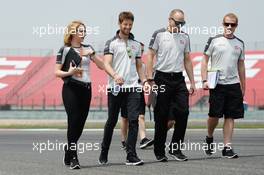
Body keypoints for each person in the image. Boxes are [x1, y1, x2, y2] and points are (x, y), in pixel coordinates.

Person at [98, 11, 148, 166]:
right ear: (119, 24)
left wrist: (144, 81)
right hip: (116, 88)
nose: (127, 27)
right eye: (125, 24)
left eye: (130, 24)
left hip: (133, 87)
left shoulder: (136, 44)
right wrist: (115, 76)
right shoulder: (111, 43)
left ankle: (131, 155)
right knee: (112, 121)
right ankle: (104, 150)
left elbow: (139, 65)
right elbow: (106, 64)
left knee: (134, 120)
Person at [146, 9, 196, 162]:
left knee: (184, 112)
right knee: (161, 116)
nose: (180, 25)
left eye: (183, 23)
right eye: (177, 22)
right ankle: (159, 151)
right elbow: (150, 55)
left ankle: (175, 148)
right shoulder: (159, 34)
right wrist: (150, 78)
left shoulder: (185, 36)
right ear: (170, 20)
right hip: (161, 78)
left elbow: (187, 59)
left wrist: (192, 81)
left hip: (179, 79)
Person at [55, 21, 104, 169]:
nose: (83, 33)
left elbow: (101, 65)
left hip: (86, 89)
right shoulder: (65, 50)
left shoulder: (89, 48)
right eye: (80, 31)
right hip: (71, 89)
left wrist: (93, 54)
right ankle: (74, 156)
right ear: (72, 33)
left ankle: (68, 149)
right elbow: (56, 72)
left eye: (84, 31)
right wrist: (70, 72)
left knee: (80, 125)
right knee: (73, 120)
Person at [201, 13, 245, 159]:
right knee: (214, 116)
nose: (229, 27)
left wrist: (243, 86)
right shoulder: (214, 40)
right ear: (222, 24)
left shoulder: (240, 43)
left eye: (232, 24)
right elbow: (204, 60)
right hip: (217, 84)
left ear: (236, 26)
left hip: (233, 85)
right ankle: (209, 136)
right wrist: (204, 80)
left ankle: (227, 147)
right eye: (227, 24)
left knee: (230, 116)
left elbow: (241, 65)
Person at [120, 42, 154, 150]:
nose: (141, 52)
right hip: (125, 91)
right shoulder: (126, 64)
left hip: (138, 91)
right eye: (140, 50)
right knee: (125, 118)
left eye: (142, 50)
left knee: (141, 116)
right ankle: (124, 141)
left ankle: (143, 139)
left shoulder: (143, 65)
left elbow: (146, 79)